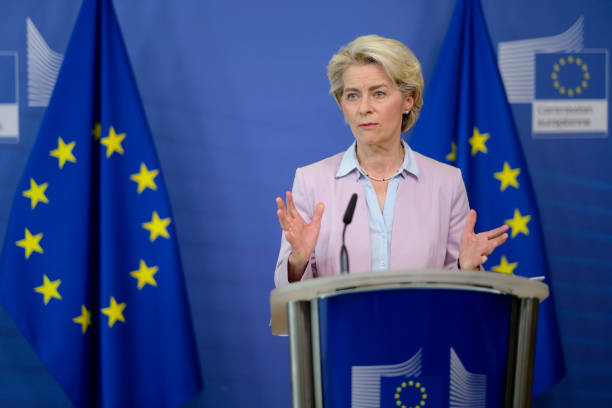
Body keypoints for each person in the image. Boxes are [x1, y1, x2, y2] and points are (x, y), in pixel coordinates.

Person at [274, 34, 508, 288]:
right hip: (343, 327)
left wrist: (467, 267)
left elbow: (458, 294)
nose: (364, 108)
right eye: (352, 95)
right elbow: (288, 297)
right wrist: (299, 260)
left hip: (422, 327)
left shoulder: (446, 183)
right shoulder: (312, 181)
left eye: (378, 93)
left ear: (408, 100)